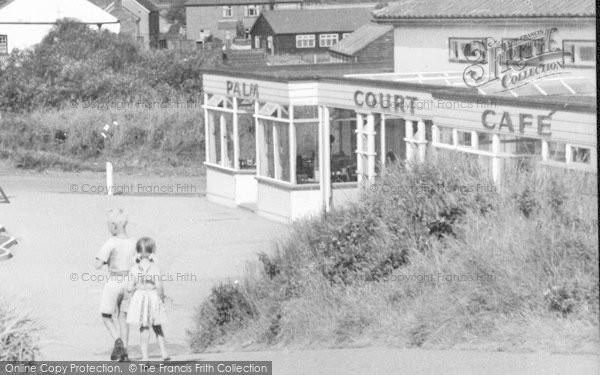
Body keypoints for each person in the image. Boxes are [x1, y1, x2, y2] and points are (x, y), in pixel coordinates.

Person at [95, 209, 136, 361]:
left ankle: (118, 341)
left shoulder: (111, 242)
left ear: (113, 225)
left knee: (106, 315)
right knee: (124, 317)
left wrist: (105, 261)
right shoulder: (133, 242)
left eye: (108, 225)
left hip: (114, 281)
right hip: (129, 281)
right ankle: (124, 353)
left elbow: (98, 264)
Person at [127, 237, 169, 361]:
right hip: (153, 297)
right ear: (152, 252)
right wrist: (162, 297)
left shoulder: (134, 269)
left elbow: (129, 288)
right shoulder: (155, 268)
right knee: (157, 325)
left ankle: (145, 357)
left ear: (137, 252)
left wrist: (135, 285)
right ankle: (163, 352)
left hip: (140, 297)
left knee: (144, 328)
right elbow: (159, 286)